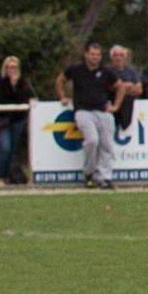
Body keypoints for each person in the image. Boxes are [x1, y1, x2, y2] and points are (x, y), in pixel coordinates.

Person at [58, 44, 121, 189]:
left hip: (103, 111)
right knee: (92, 140)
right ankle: (89, 172)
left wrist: (116, 105)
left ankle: (105, 177)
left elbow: (120, 86)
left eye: (98, 55)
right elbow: (60, 80)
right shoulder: (76, 70)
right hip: (83, 111)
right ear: (86, 55)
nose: (95, 57)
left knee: (106, 145)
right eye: (93, 54)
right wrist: (62, 96)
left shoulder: (105, 71)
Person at [0, 56, 31, 184]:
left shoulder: (22, 82)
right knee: (3, 148)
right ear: (5, 68)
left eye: (14, 67)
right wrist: (10, 86)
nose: (12, 69)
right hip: (1, 120)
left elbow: (23, 99)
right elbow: (1, 98)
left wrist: (15, 86)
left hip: (17, 121)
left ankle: (9, 177)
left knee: (12, 150)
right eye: (9, 67)